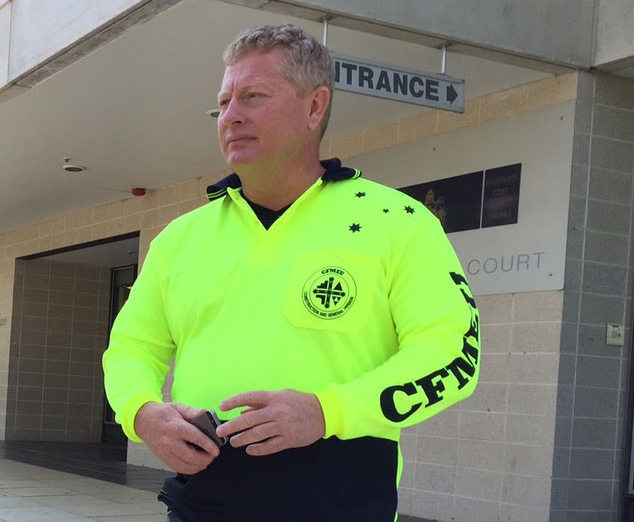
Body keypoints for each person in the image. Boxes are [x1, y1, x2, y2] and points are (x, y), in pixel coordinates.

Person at [103, 24, 480, 522]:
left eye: (253, 96)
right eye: (224, 102)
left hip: (341, 504)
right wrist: (143, 414)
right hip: (202, 504)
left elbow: (454, 353)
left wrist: (326, 412)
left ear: (314, 107)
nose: (231, 116)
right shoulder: (180, 238)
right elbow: (133, 347)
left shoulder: (398, 222)